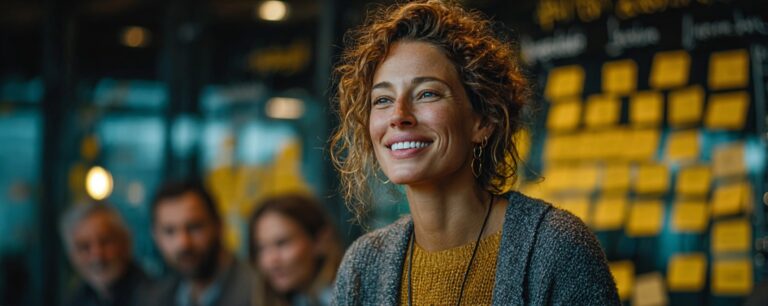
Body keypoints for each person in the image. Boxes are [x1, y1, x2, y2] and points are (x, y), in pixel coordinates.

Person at [329, 1, 620, 305]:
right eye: (383, 100)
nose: (399, 115)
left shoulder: (555, 247)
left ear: (483, 120)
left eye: (427, 93)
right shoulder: (362, 266)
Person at [140, 179, 252, 306]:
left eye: (194, 227)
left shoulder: (259, 293)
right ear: (155, 236)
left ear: (218, 226)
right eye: (169, 231)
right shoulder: (157, 297)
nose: (183, 243)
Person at [248, 194, 342, 306]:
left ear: (321, 241)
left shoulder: (346, 297)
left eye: (282, 243)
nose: (270, 261)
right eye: (261, 248)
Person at [60, 203, 147, 306]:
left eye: (105, 242)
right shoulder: (75, 300)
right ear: (72, 255)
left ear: (125, 243)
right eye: (84, 247)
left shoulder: (156, 298)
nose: (97, 256)